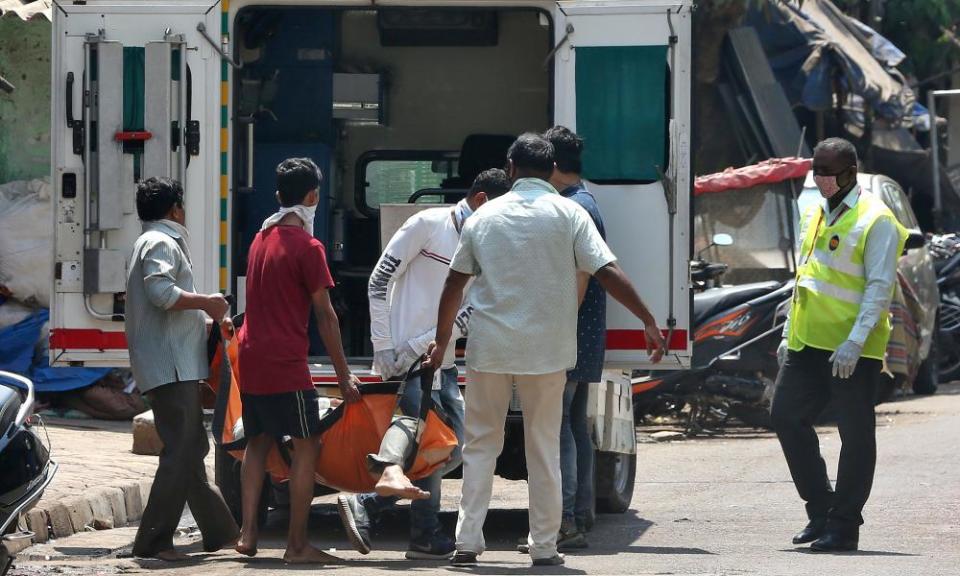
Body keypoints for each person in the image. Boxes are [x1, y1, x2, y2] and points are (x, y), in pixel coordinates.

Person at [424, 133, 666, 567]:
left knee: (481, 445)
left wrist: (442, 341)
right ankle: (544, 546)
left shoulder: (484, 217)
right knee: (543, 448)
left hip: (490, 350)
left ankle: (467, 542)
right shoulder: (570, 213)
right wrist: (648, 319)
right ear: (551, 168)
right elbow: (606, 271)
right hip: (547, 353)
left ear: (511, 168)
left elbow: (454, 282)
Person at [337, 168, 512, 560]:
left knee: (449, 447)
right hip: (406, 363)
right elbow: (379, 281)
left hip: (439, 359)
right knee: (432, 445)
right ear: (481, 200)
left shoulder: (486, 240)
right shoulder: (427, 224)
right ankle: (420, 530)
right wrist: (385, 347)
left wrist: (431, 342)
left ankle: (377, 508)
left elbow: (472, 307)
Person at [771, 138, 907, 552]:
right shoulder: (815, 212)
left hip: (853, 348)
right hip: (806, 341)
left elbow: (880, 287)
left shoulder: (876, 219)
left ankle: (844, 525)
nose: (823, 180)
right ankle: (821, 509)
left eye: (830, 173)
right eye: (818, 172)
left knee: (855, 433)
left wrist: (855, 341)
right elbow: (807, 278)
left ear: (851, 172)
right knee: (785, 417)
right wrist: (786, 332)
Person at [234, 158, 362, 564]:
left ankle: (248, 534)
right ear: (312, 198)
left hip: (251, 357)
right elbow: (326, 315)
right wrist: (344, 377)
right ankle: (297, 545)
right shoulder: (309, 248)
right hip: (286, 362)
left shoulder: (260, 239)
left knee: (257, 442)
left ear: (277, 197)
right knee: (308, 444)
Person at [125, 177, 239, 561]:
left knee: (191, 449)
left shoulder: (151, 240)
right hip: (170, 366)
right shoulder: (160, 242)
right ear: (175, 208)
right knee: (181, 451)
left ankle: (221, 533)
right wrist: (207, 303)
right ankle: (154, 541)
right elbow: (161, 294)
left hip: (171, 363)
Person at [545, 126, 606, 550]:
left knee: (559, 425)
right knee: (576, 425)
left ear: (551, 166)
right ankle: (580, 512)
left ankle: (564, 517)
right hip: (583, 331)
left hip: (573, 329)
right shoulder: (584, 201)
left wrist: (560, 327)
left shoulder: (574, 208)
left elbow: (579, 277)